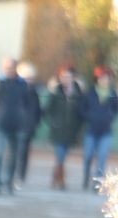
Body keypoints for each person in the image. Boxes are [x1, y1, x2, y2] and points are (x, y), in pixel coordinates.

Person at [0, 56, 40, 194]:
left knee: (13, 157)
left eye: (10, 68)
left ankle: (9, 183)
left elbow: (28, 104)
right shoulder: (0, 83)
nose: (8, 70)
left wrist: (23, 119)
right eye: (6, 68)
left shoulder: (22, 85)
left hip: (17, 126)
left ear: (15, 68)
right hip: (1, 124)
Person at [42, 63, 82, 191]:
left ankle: (55, 176)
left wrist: (78, 126)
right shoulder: (56, 92)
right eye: (63, 76)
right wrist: (53, 122)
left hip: (71, 131)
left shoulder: (78, 93)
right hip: (58, 130)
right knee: (61, 155)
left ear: (73, 77)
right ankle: (61, 180)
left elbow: (81, 112)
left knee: (63, 156)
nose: (66, 79)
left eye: (68, 76)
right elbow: (47, 110)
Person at [80, 66, 118, 190]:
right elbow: (82, 109)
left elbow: (116, 110)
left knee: (102, 157)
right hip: (91, 130)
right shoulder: (90, 93)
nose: (105, 80)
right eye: (102, 78)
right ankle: (86, 176)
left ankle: (98, 183)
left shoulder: (113, 94)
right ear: (97, 79)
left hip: (106, 131)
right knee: (88, 155)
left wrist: (110, 117)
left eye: (107, 78)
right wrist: (89, 117)